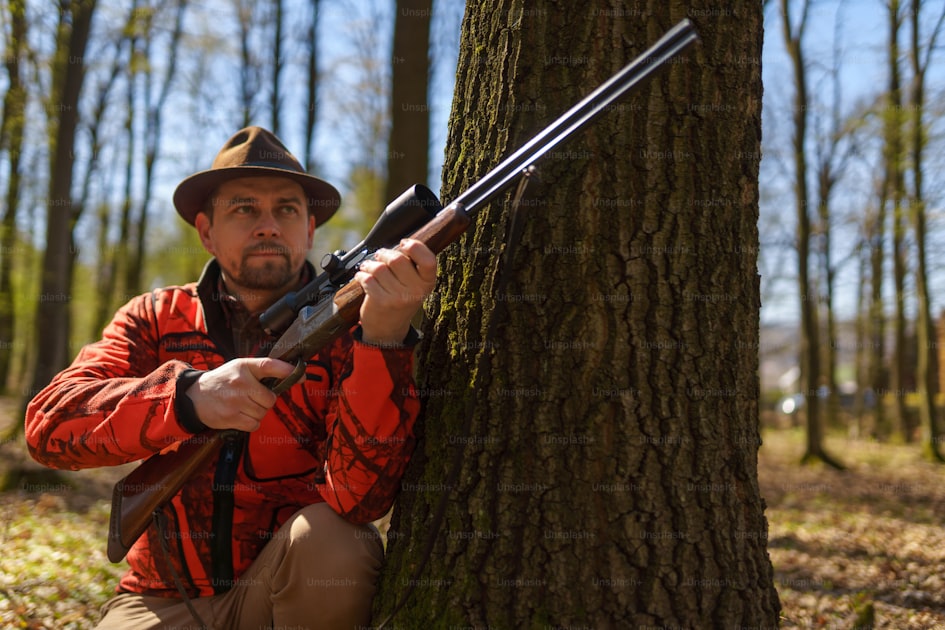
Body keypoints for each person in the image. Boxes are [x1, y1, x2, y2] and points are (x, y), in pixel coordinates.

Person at [24, 126, 437, 629]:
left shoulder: (357, 328)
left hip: (285, 589)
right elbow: (49, 427)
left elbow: (361, 500)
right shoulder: (154, 318)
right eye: (244, 209)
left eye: (287, 209)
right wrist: (188, 398)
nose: (268, 227)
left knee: (336, 541)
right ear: (206, 233)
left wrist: (384, 338)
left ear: (309, 230)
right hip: (160, 599)